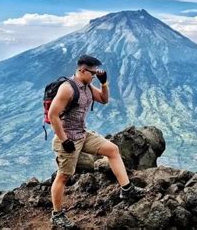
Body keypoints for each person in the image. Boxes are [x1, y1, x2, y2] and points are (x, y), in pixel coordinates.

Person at [48, 55, 145, 228]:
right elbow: (52, 115)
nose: (94, 75)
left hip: (83, 134)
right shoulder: (67, 88)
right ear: (82, 70)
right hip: (68, 139)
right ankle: (57, 215)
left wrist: (104, 83)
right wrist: (64, 141)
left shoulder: (87, 85)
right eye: (92, 73)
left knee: (113, 150)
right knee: (63, 176)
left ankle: (127, 190)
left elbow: (104, 99)